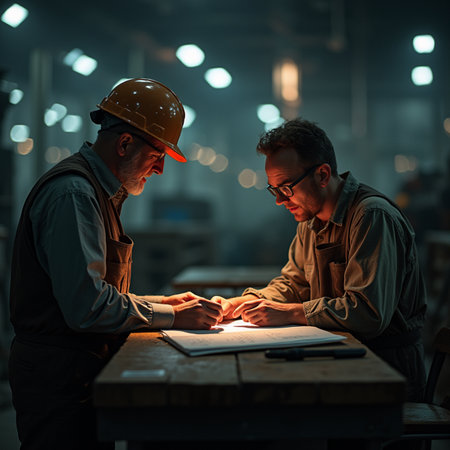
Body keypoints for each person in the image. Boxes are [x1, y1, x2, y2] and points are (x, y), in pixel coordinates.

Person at [8, 78, 223, 450]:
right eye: (157, 157)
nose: (159, 171)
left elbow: (93, 292)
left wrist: (163, 304)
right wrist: (173, 318)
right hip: (57, 376)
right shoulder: (74, 194)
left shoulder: (97, 192)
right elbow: (86, 308)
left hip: (76, 369)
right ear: (125, 144)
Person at [215, 118, 427, 402]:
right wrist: (249, 301)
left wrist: (289, 313)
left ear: (323, 175)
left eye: (286, 188)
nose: (279, 200)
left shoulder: (371, 216)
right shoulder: (310, 220)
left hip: (386, 369)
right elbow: (294, 282)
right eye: (273, 190)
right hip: (344, 355)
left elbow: (368, 314)